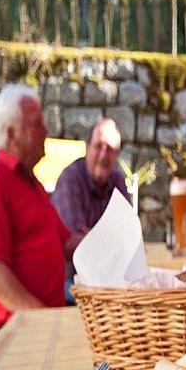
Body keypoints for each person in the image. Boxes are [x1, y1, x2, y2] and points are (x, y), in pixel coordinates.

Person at [0, 84, 81, 349]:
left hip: (38, 323)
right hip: (9, 330)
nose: (45, 131)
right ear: (12, 134)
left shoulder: (32, 184)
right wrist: (45, 320)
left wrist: (110, 243)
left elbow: (66, 242)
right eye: (36, 124)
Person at [51, 118, 130, 301]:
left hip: (109, 284)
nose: (103, 155)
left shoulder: (117, 181)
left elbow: (127, 238)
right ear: (88, 148)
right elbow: (74, 245)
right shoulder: (70, 179)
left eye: (110, 149)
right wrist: (111, 241)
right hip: (73, 284)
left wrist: (94, 238)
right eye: (98, 146)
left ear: (117, 154)